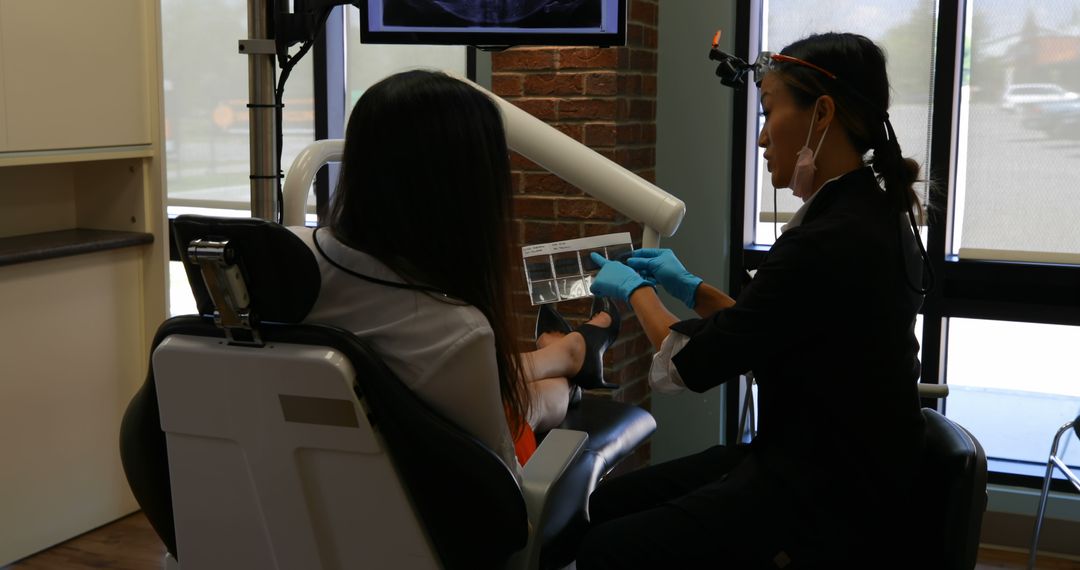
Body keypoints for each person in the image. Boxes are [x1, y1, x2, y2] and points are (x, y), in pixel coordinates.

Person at [577, 33, 929, 568]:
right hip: (834, 464)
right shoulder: (868, 213)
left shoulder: (831, 238)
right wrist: (690, 287)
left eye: (768, 112)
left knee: (607, 549)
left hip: (826, 495)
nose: (762, 139)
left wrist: (636, 291)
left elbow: (691, 366)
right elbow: (769, 328)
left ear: (823, 114)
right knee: (604, 504)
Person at [289, 69, 620, 478]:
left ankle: (567, 353)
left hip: (341, 473)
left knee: (516, 392)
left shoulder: (293, 269)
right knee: (534, 402)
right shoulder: (454, 330)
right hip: (433, 499)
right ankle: (572, 358)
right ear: (467, 191)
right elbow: (508, 500)